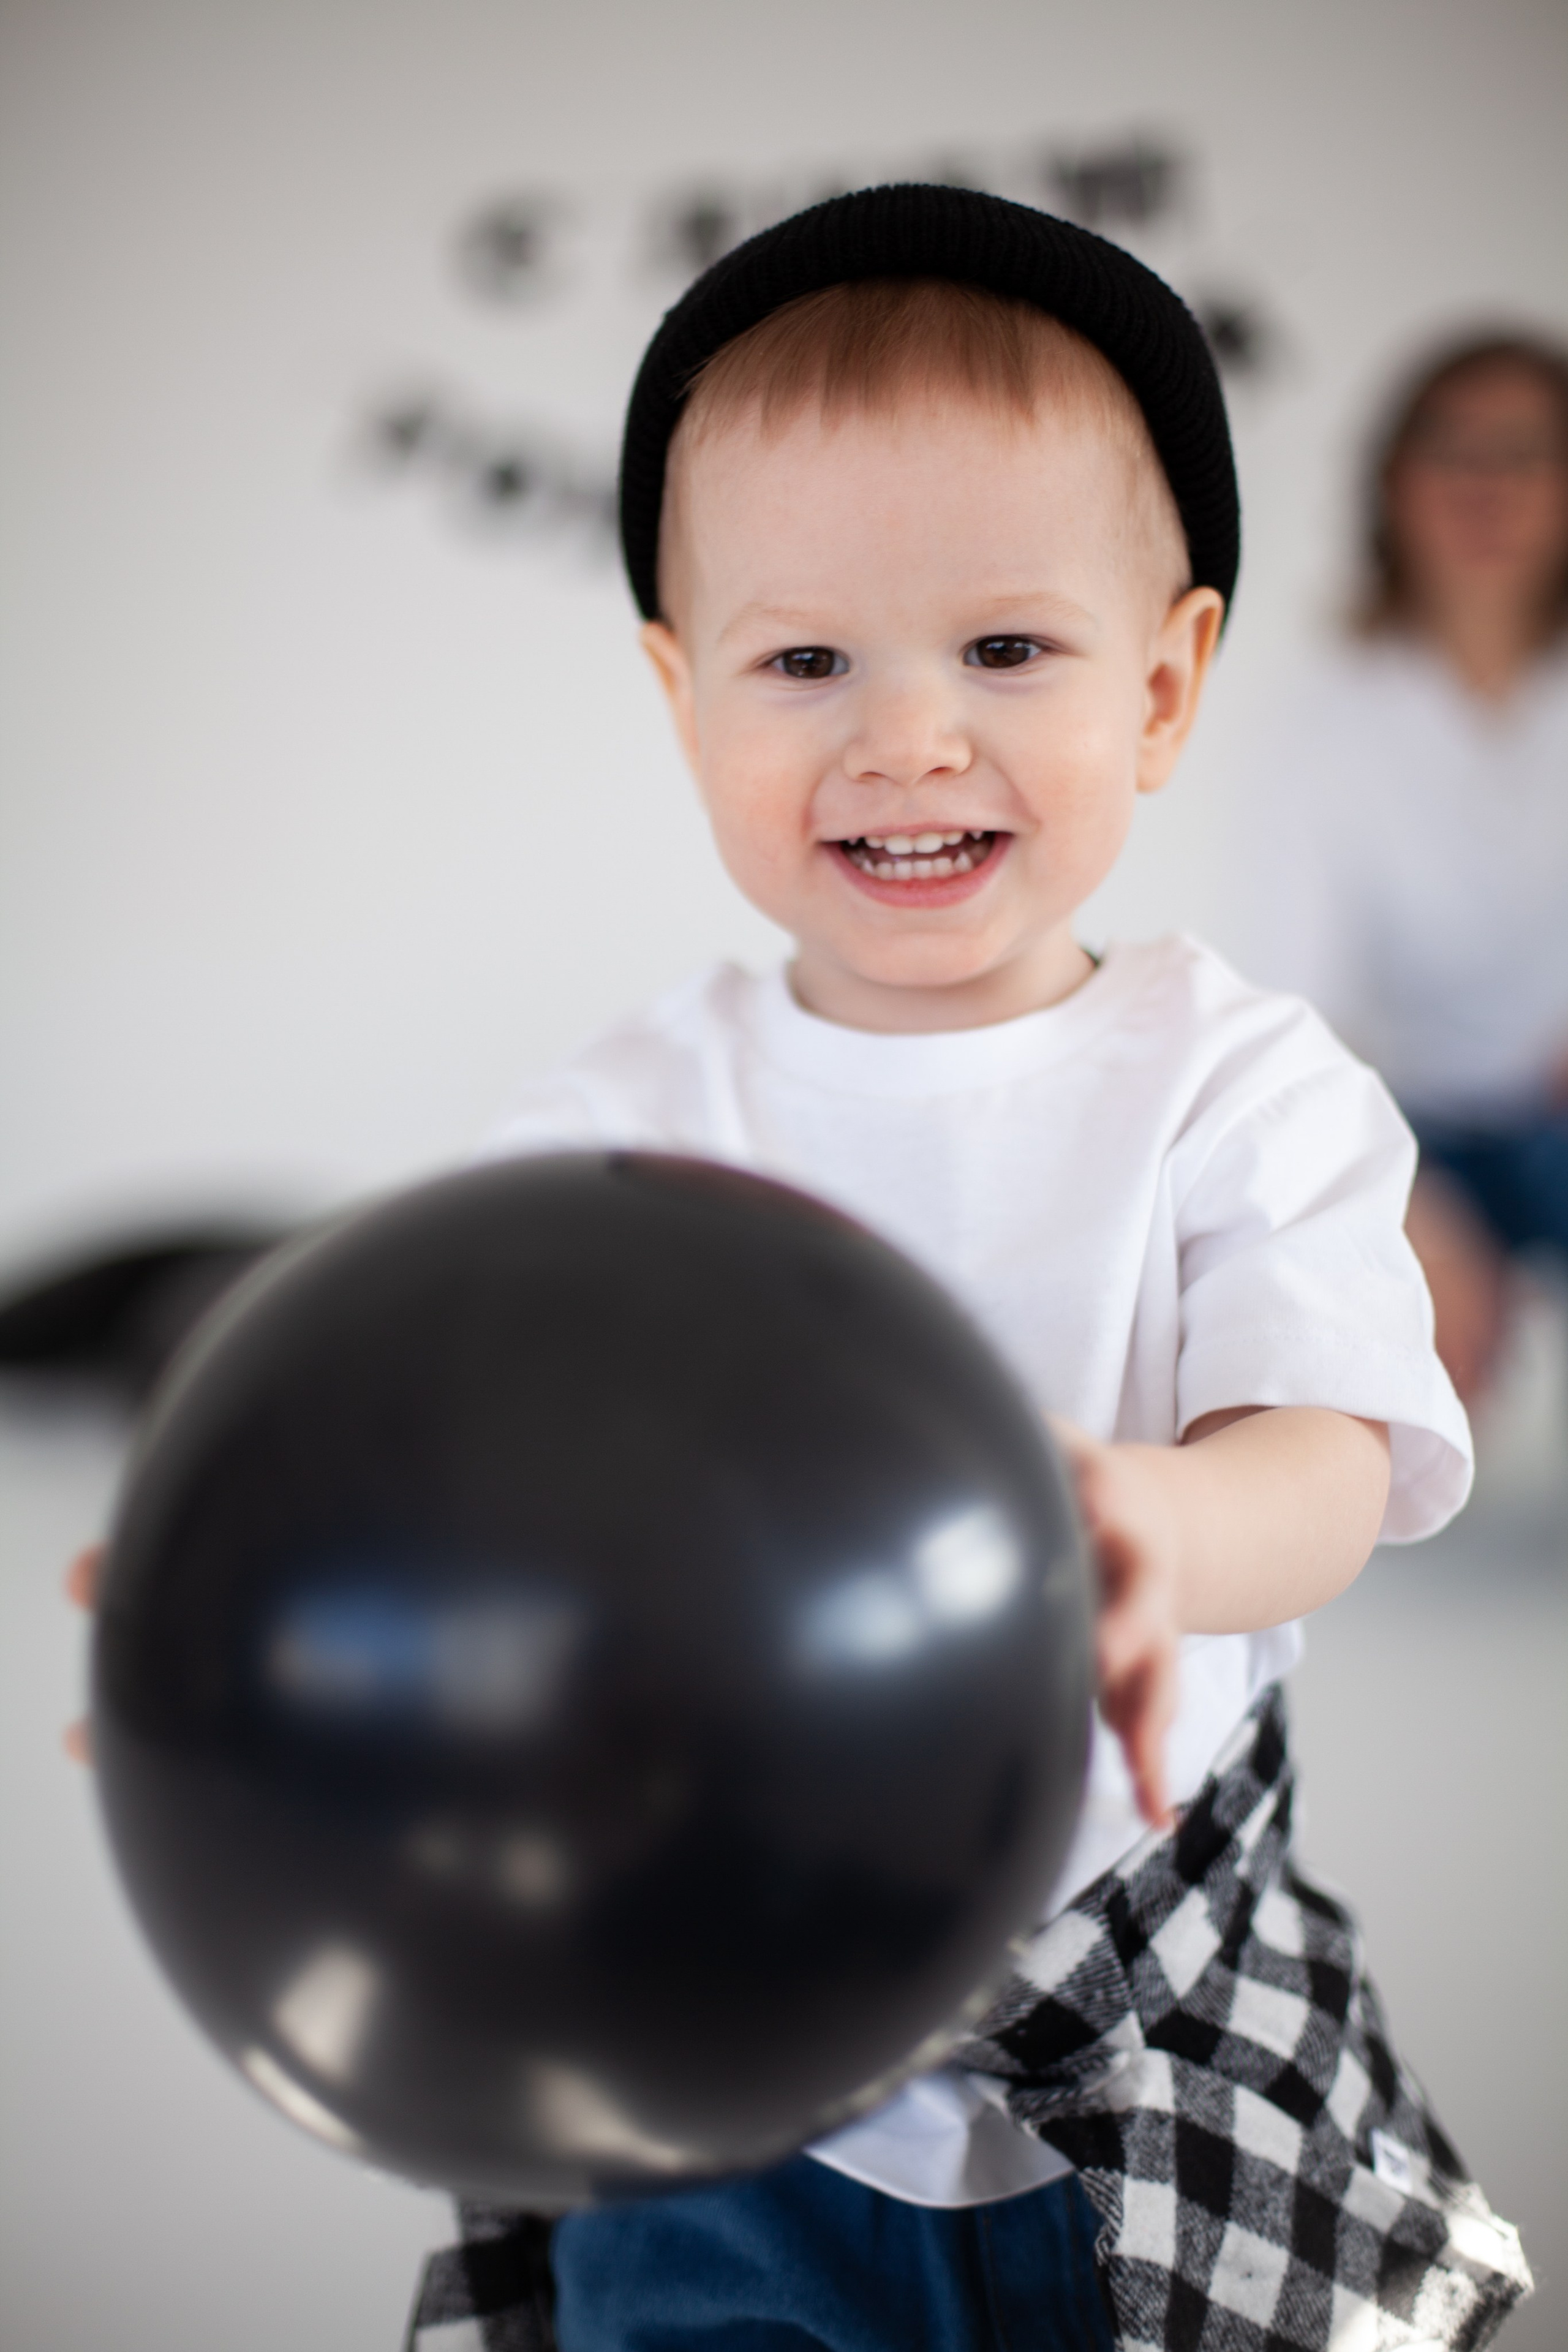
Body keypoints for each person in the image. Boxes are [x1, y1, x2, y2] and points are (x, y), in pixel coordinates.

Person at [77, 189, 1530, 2348]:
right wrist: (250, 1597)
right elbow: (433, 1418)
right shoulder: (632, 1118)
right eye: (805, 659)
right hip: (710, 2039)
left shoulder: (1238, 1086)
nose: (909, 736)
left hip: (1146, 2030)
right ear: (685, 697)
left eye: (1007, 649)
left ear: (1167, 681)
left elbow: (1331, 1451)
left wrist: (1161, 1515)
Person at [1241, 333, 1568, 1406]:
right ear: (1396, 482)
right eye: (1455, 451)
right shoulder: (1328, 714)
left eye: (1525, 453)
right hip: (1413, 1121)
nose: (1490, 489)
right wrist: (1407, 1199)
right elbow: (1300, 1013)